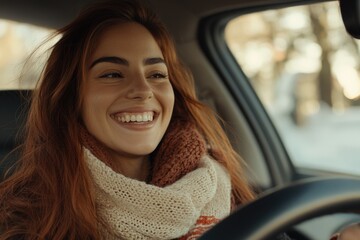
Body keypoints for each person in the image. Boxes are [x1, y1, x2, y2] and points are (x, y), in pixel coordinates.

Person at [0, 0, 255, 239]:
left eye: (156, 74)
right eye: (112, 74)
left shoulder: (223, 188)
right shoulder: (23, 217)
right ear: (72, 97)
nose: (143, 90)